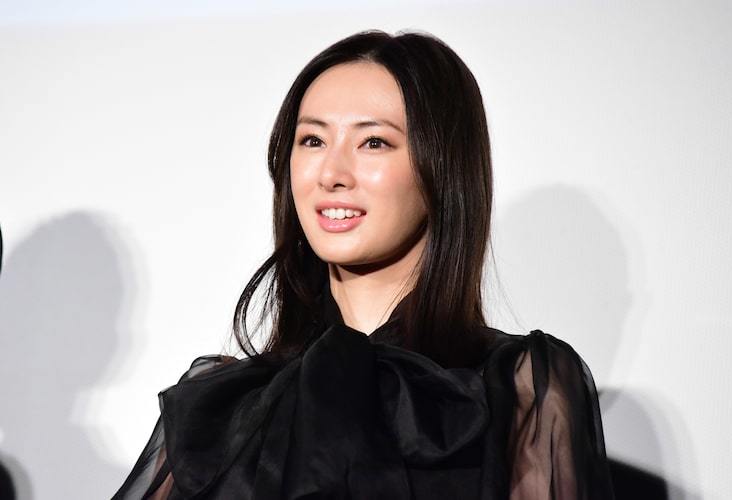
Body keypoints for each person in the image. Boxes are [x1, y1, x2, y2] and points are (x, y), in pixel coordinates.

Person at [112, 29, 614, 499]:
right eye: (312, 140)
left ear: (442, 169)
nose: (331, 173)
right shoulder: (224, 405)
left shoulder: (518, 388)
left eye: (374, 142)